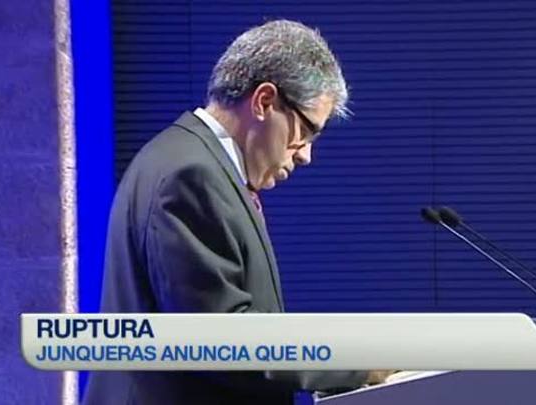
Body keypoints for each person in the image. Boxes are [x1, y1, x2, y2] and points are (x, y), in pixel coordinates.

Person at [83, 20, 386, 405]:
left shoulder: (194, 162)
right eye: (307, 132)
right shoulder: (190, 175)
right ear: (264, 102)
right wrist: (356, 361)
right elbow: (225, 342)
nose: (306, 155)